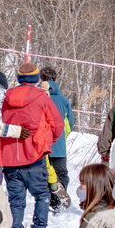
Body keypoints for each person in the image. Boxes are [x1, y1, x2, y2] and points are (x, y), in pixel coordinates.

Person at [0, 61, 60, 228]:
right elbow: (57, 124)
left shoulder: (7, 98)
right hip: (34, 153)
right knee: (41, 195)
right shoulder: (42, 97)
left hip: (10, 156)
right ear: (36, 78)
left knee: (16, 200)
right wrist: (48, 141)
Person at [41, 66, 75, 208]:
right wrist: (60, 136)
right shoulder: (63, 100)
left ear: (42, 80)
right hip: (59, 146)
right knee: (61, 173)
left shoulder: (40, 97)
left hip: (42, 144)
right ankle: (58, 201)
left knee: (44, 173)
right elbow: (70, 123)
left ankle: (48, 199)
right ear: (55, 79)